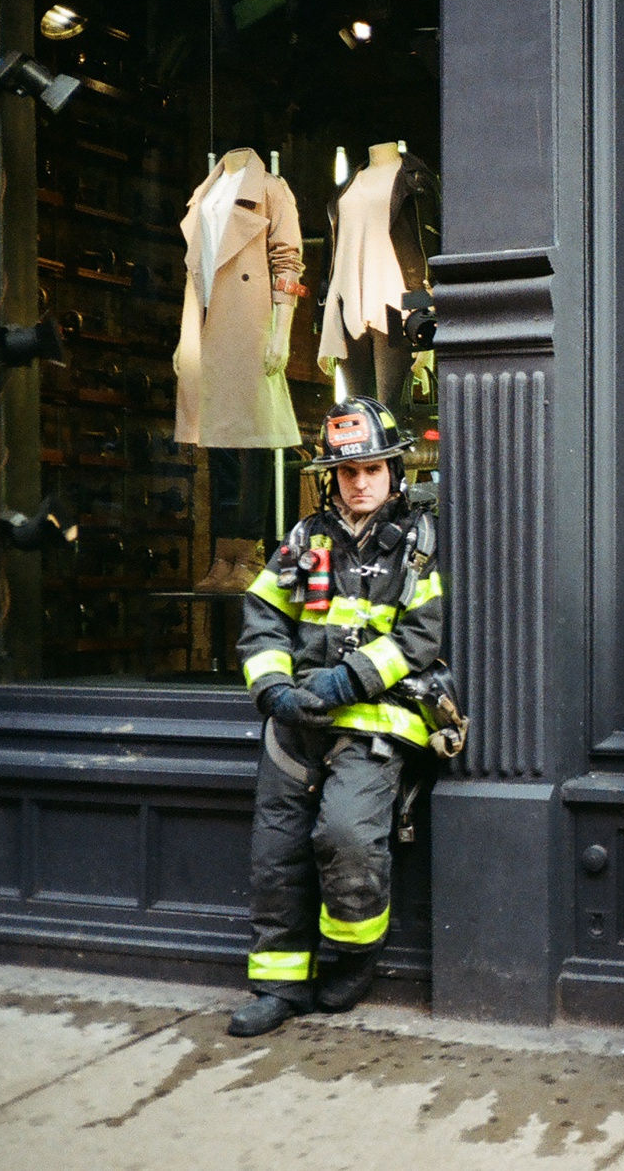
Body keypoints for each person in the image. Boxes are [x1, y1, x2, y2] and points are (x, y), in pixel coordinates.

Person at [227, 395, 445, 1038]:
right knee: (277, 855)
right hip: (294, 725)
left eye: (371, 469)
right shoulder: (304, 541)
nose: (359, 482)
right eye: (348, 472)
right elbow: (263, 618)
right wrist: (273, 691)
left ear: (394, 473)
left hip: (374, 721)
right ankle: (277, 986)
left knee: (347, 837)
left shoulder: (417, 544)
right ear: (333, 476)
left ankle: (352, 957)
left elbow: (421, 636)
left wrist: (351, 678)